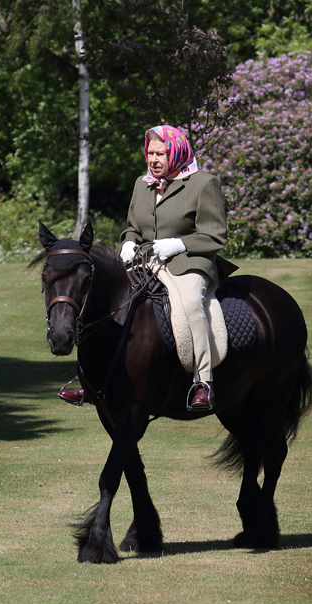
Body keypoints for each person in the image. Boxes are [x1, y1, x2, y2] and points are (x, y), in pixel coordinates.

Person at [59, 124, 227, 409]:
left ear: (176, 151)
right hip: (145, 263)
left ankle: (203, 381)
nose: (153, 159)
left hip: (188, 263)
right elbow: (132, 229)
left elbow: (215, 235)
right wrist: (127, 242)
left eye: (160, 153)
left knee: (190, 305)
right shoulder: (142, 183)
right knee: (103, 300)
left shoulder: (204, 184)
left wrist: (179, 244)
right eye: (150, 153)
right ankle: (89, 382)